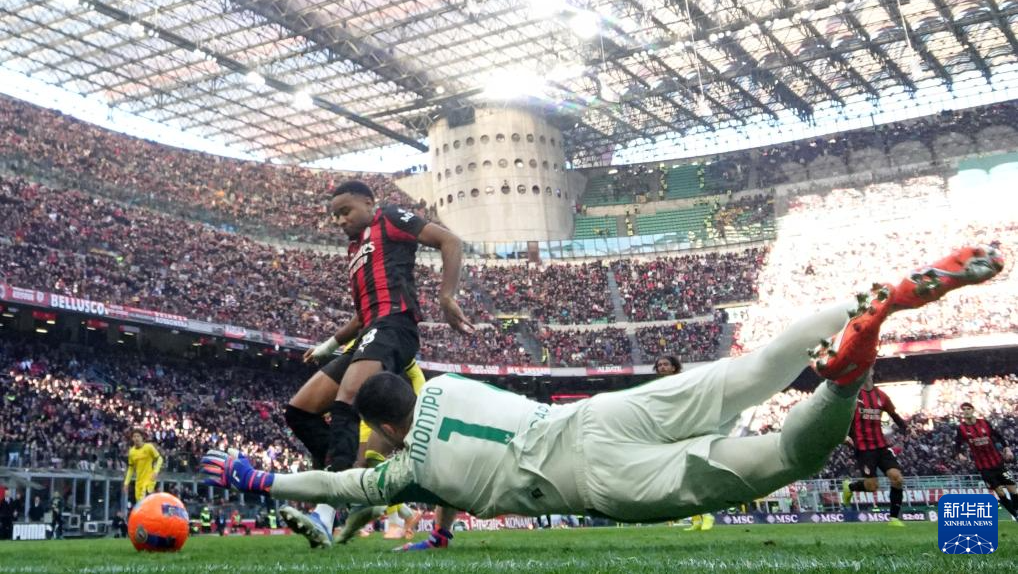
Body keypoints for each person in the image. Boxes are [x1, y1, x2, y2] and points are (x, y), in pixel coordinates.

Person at [201, 245, 1004, 536]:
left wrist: (262, 478)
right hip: (597, 417)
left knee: (781, 458)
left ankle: (848, 372)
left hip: (595, 478)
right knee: (752, 371)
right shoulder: (448, 383)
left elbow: (342, 486)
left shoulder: (408, 471)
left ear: (382, 430)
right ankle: (870, 301)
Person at [281, 180, 471, 547]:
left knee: (348, 399)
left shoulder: (389, 218)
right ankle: (356, 484)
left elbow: (450, 240)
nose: (340, 220)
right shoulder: (355, 250)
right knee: (300, 412)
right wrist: (328, 346)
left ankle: (325, 513)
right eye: (334, 216)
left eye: (345, 211)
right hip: (369, 332)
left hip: (395, 327)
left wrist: (447, 296)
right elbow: (361, 315)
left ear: (369, 203)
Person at [839, 369, 909, 526]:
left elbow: (894, 415)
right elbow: (842, 418)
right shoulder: (852, 396)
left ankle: (894, 519)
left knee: (897, 478)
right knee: (872, 487)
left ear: (872, 372)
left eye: (868, 368)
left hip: (881, 446)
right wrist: (844, 436)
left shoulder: (881, 396)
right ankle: (850, 487)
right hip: (864, 449)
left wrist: (906, 428)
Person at [652, 355, 713, 532]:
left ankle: (707, 514)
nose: (662, 367)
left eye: (666, 364)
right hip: (670, 431)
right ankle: (696, 518)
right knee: (680, 477)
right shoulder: (657, 386)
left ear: (674, 367)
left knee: (692, 473)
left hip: (686, 429)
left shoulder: (684, 382)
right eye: (659, 365)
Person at [955, 402, 1017, 520]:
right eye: (964, 409)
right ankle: (1015, 514)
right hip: (984, 468)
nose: (966, 411)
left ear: (973, 410)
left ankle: (1016, 509)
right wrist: (959, 454)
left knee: (1013, 490)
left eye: (968, 408)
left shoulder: (984, 423)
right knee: (1000, 492)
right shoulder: (961, 428)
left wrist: (1007, 448)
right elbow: (957, 444)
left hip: (999, 463)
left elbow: (998, 435)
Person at [124, 428, 162, 506]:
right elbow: (131, 468)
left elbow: (160, 459)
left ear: (142, 437)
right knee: (140, 505)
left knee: (145, 501)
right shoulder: (132, 452)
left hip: (149, 480)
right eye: (134, 436)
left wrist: (156, 471)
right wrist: (126, 483)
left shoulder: (148, 447)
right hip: (139, 482)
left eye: (138, 436)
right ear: (132, 438)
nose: (136, 438)